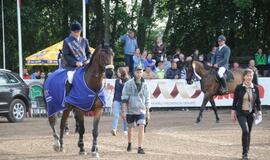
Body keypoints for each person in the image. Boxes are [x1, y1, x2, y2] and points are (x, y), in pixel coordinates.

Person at [231, 68, 262, 160]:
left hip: (251, 113)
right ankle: (244, 153)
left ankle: (246, 153)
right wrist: (233, 112)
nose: (249, 77)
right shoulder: (239, 87)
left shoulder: (255, 88)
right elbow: (235, 101)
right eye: (247, 75)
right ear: (244, 76)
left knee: (248, 134)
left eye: (251, 75)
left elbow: (258, 102)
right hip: (240, 113)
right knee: (246, 131)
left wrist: (259, 111)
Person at [121, 65, 151, 154]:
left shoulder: (145, 84)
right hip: (130, 109)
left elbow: (147, 98)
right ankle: (129, 142)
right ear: (134, 72)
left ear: (142, 73)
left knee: (141, 126)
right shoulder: (128, 84)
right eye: (137, 72)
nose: (139, 74)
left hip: (141, 109)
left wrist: (148, 111)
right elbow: (124, 97)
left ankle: (140, 147)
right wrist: (123, 110)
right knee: (130, 127)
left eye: (140, 72)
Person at [111, 67, 129, 136]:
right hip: (117, 99)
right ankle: (114, 129)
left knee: (125, 116)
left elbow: (126, 91)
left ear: (122, 72)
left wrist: (122, 84)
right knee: (116, 115)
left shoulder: (128, 80)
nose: (117, 73)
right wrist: (113, 101)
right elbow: (115, 91)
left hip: (125, 100)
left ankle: (125, 130)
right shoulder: (116, 80)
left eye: (118, 72)